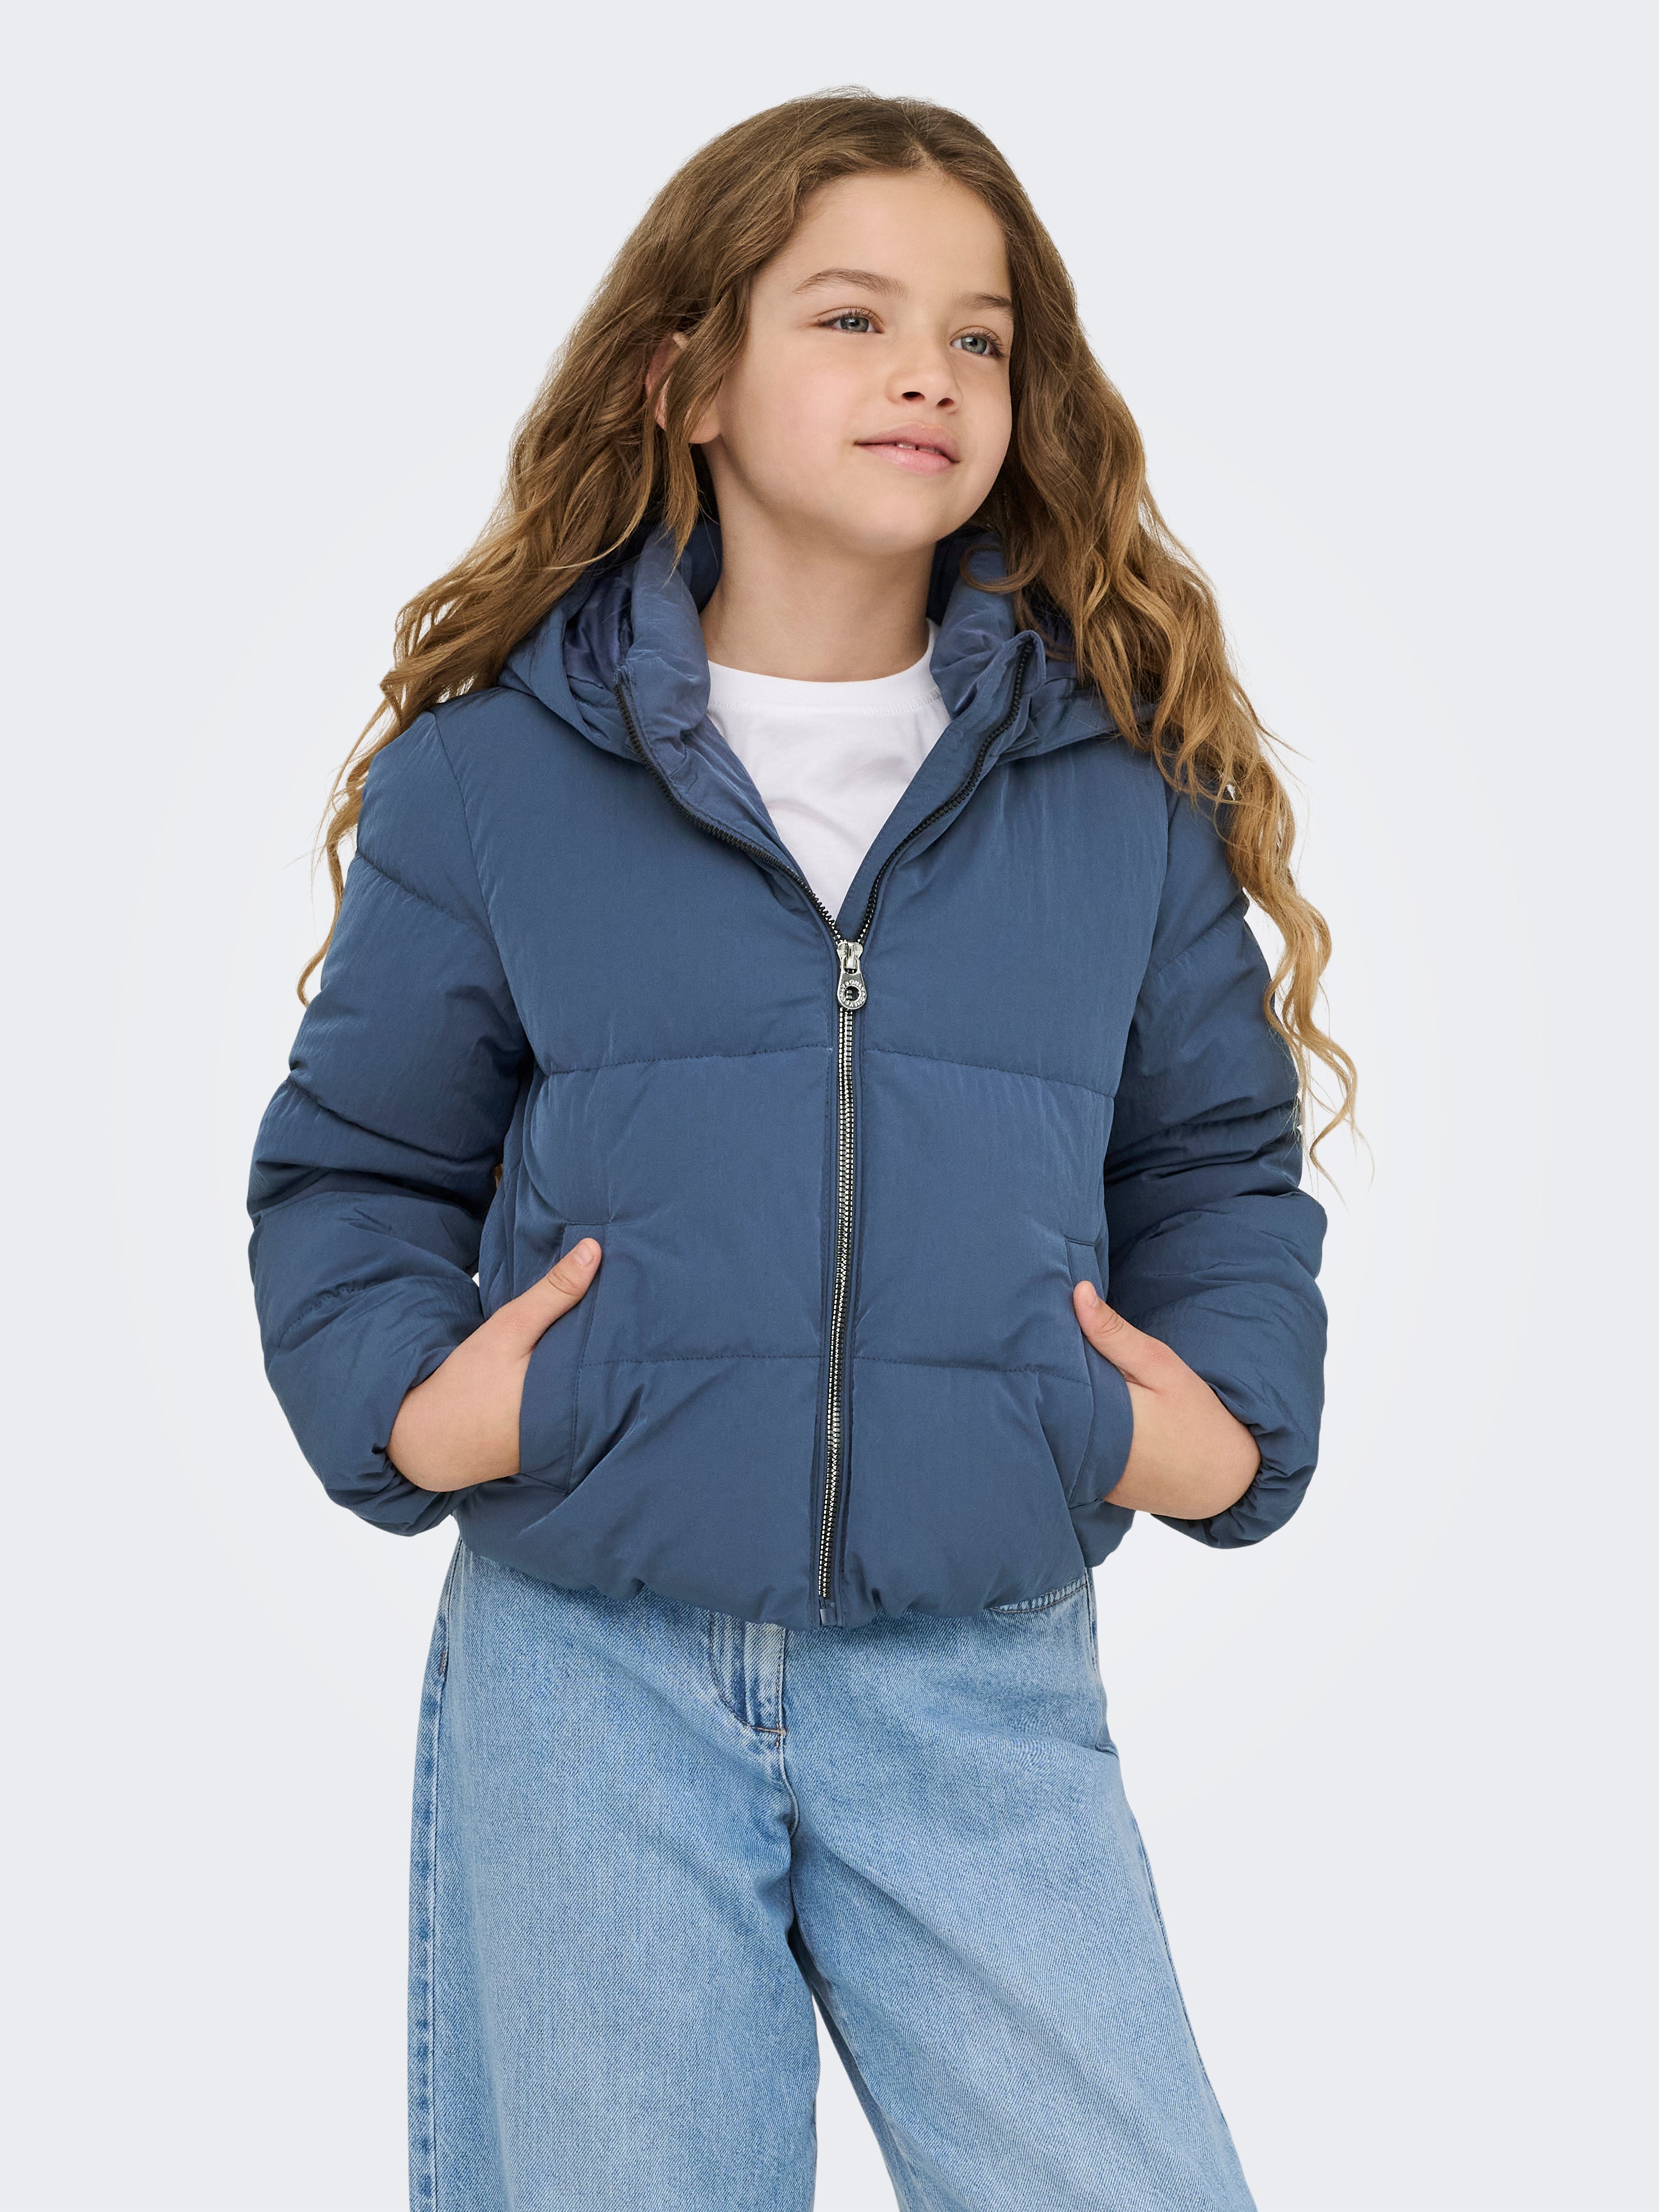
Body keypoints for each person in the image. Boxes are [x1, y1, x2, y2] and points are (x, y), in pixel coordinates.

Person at [247, 88, 1354, 2212]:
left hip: (977, 1666)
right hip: (593, 1667)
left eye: (979, 337)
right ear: (686, 382)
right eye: (852, 317)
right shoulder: (497, 783)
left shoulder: (1114, 796)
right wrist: (422, 1403)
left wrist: (1213, 1427)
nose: (927, 371)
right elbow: (358, 1165)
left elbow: (1215, 1163)